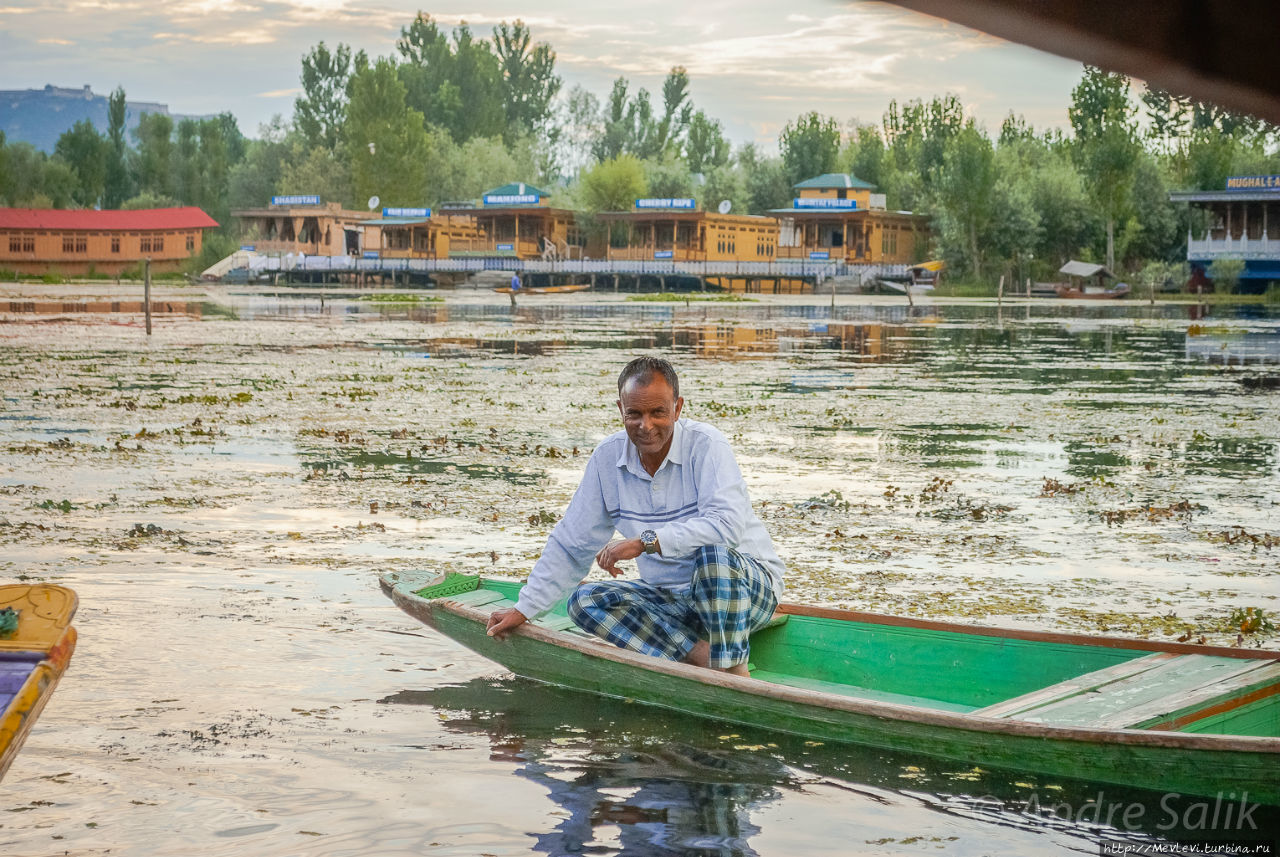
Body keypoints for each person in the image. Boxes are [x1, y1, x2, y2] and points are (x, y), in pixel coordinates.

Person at [486, 356, 785, 677]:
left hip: (742, 594)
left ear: (678, 408)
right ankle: (700, 655)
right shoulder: (607, 458)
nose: (646, 425)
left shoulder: (707, 445)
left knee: (713, 556)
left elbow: (725, 527)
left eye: (658, 412)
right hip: (673, 600)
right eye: (635, 414)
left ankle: (733, 671)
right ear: (621, 410)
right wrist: (524, 608)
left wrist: (646, 543)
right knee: (585, 600)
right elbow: (572, 544)